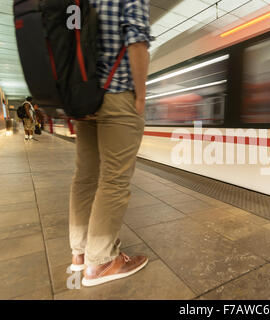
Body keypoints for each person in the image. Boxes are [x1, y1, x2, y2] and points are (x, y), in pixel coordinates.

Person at [69, 0, 151, 287]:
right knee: (114, 180)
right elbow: (137, 40)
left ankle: (79, 255)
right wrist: (140, 97)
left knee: (85, 178)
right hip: (116, 94)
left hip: (83, 94)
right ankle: (101, 262)